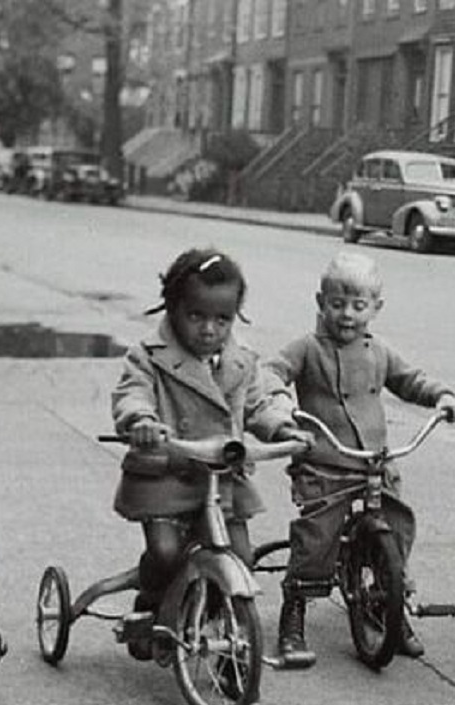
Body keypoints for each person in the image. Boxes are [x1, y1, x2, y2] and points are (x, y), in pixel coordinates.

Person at [263, 252, 455, 668]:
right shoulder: (308, 348)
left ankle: (388, 604)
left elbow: (411, 380)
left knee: (397, 523)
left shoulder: (380, 352)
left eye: (358, 305)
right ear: (321, 302)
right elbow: (271, 373)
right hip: (325, 461)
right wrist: (280, 404)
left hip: (373, 461)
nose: (347, 314)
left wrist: (440, 395)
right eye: (337, 304)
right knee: (317, 535)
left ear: (376, 308)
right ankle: (294, 612)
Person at [111, 247, 310, 660]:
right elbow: (132, 392)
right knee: (166, 552)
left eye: (222, 319)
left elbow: (258, 403)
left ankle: (223, 632)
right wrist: (141, 421)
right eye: (196, 316)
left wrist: (283, 424)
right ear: (173, 308)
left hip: (220, 479)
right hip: (167, 474)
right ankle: (149, 601)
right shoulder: (149, 356)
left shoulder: (241, 360)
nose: (208, 330)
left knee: (242, 556)